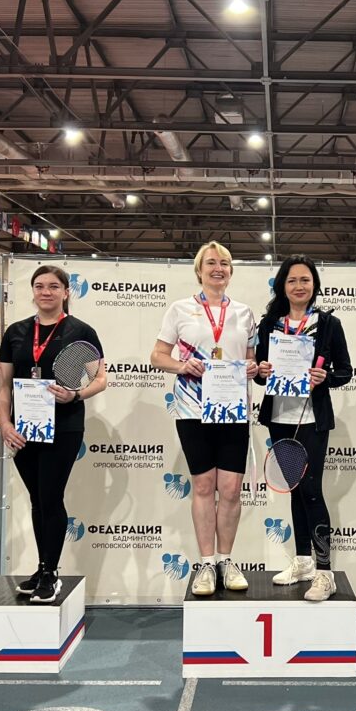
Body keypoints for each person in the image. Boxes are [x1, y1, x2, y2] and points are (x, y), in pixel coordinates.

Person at [150, 241, 258, 596]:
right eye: (211, 262)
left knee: (230, 489)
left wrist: (254, 368)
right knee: (202, 486)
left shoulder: (244, 313)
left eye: (224, 263)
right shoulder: (180, 309)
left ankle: (226, 560)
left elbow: (251, 360)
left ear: (231, 271)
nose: (218, 268)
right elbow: (157, 356)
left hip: (233, 410)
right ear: (199, 270)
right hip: (192, 409)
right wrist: (182, 365)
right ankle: (207, 563)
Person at [0, 265, 107, 603]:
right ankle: (42, 566)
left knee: (50, 495)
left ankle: (50, 571)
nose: (46, 292)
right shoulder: (16, 332)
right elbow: (3, 386)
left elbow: (101, 379)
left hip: (64, 426)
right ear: (32, 291)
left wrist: (75, 395)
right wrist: (5, 424)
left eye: (54, 286)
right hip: (23, 429)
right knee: (37, 499)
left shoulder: (80, 331)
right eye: (40, 286)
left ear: (65, 292)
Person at [255, 255, 353, 601]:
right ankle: (302, 561)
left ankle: (325, 573)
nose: (299, 286)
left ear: (314, 285)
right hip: (279, 418)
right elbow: (259, 373)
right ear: (282, 286)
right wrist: (261, 371)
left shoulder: (328, 324)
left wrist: (325, 377)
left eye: (305, 280)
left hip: (312, 419)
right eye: (292, 280)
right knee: (295, 489)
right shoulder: (269, 325)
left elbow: (345, 371)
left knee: (311, 491)